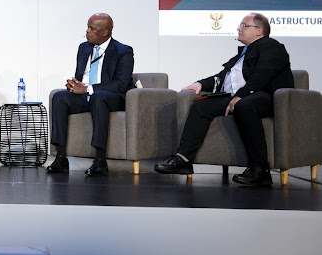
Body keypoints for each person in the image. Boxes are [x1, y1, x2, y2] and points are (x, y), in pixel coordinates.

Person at [155, 13, 294, 186]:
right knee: (201, 105)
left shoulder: (271, 46)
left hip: (266, 96)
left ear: (259, 31)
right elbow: (222, 77)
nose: (238, 28)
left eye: (244, 25)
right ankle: (183, 160)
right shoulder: (242, 54)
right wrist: (200, 83)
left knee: (244, 106)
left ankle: (260, 170)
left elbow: (263, 74)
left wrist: (241, 95)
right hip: (239, 96)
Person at [46, 13, 135, 176]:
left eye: (92, 29)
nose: (87, 31)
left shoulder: (123, 51)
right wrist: (75, 85)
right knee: (59, 97)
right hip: (86, 96)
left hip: (110, 97)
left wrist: (88, 89)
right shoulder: (84, 47)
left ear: (105, 33)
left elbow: (121, 85)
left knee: (98, 97)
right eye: (87, 27)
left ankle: (100, 160)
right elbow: (81, 76)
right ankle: (60, 157)